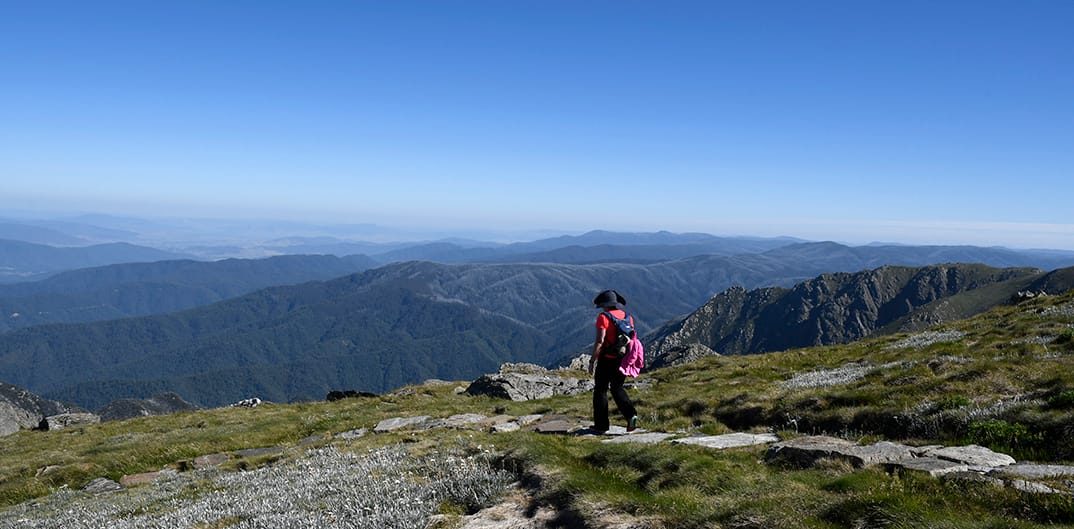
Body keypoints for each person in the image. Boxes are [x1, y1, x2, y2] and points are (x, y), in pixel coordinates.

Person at [588, 289, 639, 433]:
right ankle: (631, 415)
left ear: (604, 304)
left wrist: (593, 360)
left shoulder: (603, 317)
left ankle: (601, 425)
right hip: (622, 359)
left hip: (606, 359)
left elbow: (600, 341)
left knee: (600, 390)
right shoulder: (628, 317)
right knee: (617, 388)